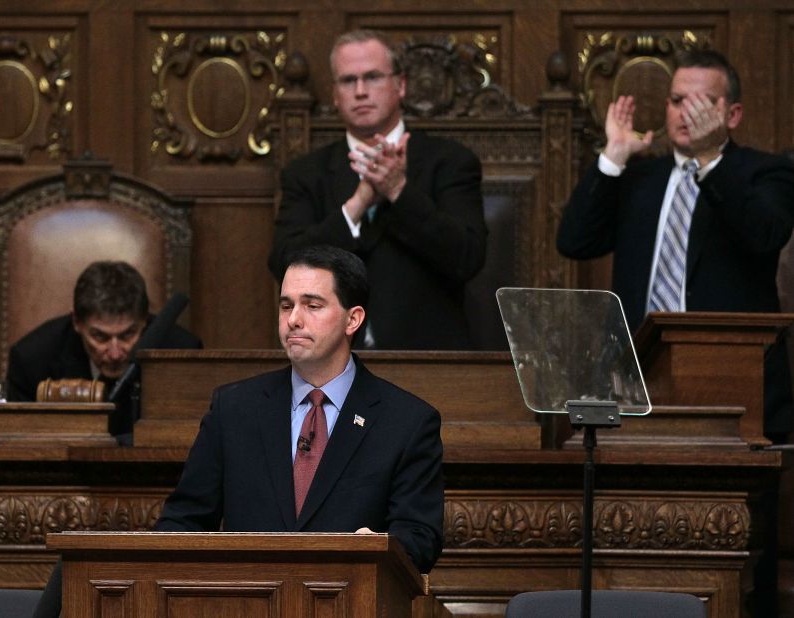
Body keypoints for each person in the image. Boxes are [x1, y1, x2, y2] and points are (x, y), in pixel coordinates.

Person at [31, 246, 444, 618]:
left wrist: (378, 549)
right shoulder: (235, 408)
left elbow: (420, 537)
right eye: (286, 306)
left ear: (353, 319)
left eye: (312, 305)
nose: (294, 320)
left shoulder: (405, 421)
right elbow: (185, 520)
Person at [557, 48, 794, 440]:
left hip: (732, 383)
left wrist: (709, 158)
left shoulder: (765, 173)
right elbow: (574, 241)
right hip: (639, 376)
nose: (687, 113)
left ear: (732, 115)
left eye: (702, 102)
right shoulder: (639, 178)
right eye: (678, 101)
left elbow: (764, 234)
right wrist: (613, 158)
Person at [268, 29, 488, 350]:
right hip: (331, 358)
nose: (360, 91)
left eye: (372, 77)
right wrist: (358, 203)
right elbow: (285, 265)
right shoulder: (306, 173)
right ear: (334, 94)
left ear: (400, 85)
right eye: (348, 80)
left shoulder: (451, 161)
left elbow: (466, 258)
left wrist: (399, 191)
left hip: (428, 358)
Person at [6, 260, 201, 437]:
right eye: (100, 337)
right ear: (76, 322)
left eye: (127, 335)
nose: (115, 354)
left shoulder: (181, 354)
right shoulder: (32, 359)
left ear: (145, 321)